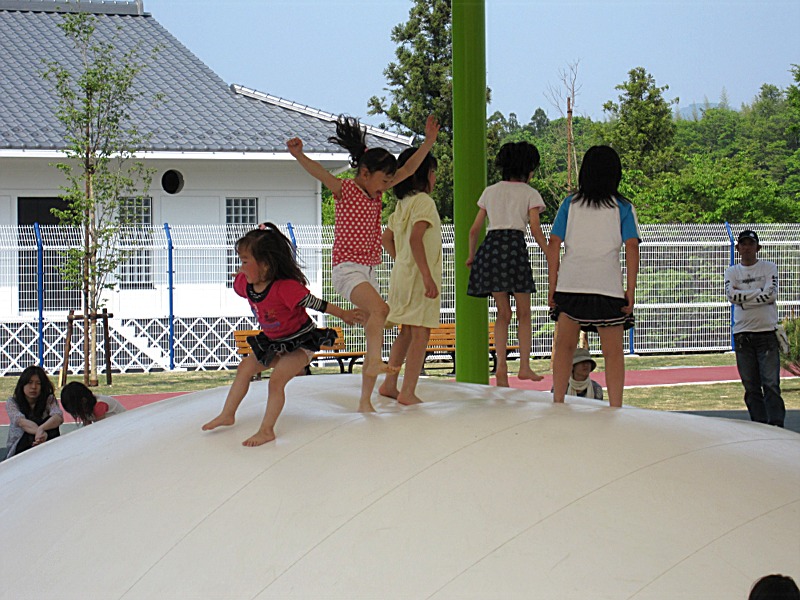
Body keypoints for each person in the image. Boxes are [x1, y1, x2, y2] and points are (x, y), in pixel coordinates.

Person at [287, 114, 439, 412]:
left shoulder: (375, 191)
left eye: (389, 183)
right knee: (381, 310)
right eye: (383, 181)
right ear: (365, 173)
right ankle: (374, 360)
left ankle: (365, 399)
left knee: (375, 319)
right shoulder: (346, 190)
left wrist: (429, 141)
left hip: (367, 271)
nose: (385, 188)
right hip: (346, 269)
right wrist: (298, 155)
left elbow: (409, 168)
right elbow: (320, 173)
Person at [202, 223, 363, 446]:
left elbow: (317, 304)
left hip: (300, 343)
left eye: (245, 262)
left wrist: (344, 314)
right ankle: (227, 414)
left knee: (276, 381)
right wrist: (243, 272)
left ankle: (267, 430)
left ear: (266, 265)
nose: (241, 267)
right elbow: (241, 279)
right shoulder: (245, 284)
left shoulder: (286, 288)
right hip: (274, 343)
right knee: (245, 367)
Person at [547, 145, 640, 408]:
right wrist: (630, 289)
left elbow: (554, 243)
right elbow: (632, 246)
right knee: (613, 353)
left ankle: (558, 401)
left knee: (564, 347)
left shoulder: (570, 204)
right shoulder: (623, 207)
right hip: (607, 286)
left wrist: (553, 286)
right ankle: (616, 407)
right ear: (615, 174)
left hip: (571, 284)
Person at [466, 141, 548, 387]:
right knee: (524, 313)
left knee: (503, 313)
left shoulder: (490, 191)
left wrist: (472, 256)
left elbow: (474, 230)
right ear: (528, 169)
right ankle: (524, 366)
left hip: (490, 249)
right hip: (514, 249)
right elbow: (535, 229)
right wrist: (549, 253)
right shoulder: (529, 193)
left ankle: (501, 368)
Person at [378, 148, 441, 405]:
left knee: (405, 332)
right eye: (433, 172)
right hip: (417, 278)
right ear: (421, 175)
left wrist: (402, 260)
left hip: (402, 275)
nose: (434, 178)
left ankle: (389, 383)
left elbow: (386, 239)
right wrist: (426, 275)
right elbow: (416, 238)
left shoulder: (401, 205)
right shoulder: (424, 202)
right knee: (420, 333)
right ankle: (408, 391)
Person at [724, 229, 785, 427]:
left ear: (758, 247)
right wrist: (757, 293)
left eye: (751, 244)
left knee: (771, 383)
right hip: (743, 334)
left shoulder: (769, 267)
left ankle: (776, 424)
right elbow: (732, 296)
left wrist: (745, 298)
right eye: (743, 244)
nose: (747, 248)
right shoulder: (732, 272)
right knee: (751, 386)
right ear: (738, 248)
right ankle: (759, 424)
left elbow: (770, 295)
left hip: (766, 332)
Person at [4, 365, 63, 458]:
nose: (33, 387)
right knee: (31, 427)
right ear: (22, 384)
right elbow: (21, 422)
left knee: (50, 423)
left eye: (38, 383)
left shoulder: (49, 399)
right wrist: (41, 434)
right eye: (30, 383)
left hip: (43, 441)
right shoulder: (12, 402)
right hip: (20, 446)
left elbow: (58, 417)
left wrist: (41, 429)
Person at [60, 381, 127, 426]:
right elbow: (87, 425)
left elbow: (100, 427)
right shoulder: (84, 407)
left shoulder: (99, 405)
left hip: (123, 423)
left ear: (83, 401)